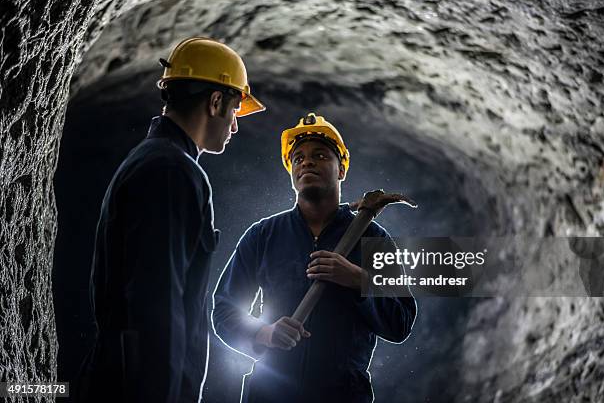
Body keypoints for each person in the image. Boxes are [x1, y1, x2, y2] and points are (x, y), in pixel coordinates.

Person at [76, 37, 265, 403]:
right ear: (214, 102)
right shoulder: (171, 171)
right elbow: (157, 304)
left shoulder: (157, 162)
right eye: (234, 112)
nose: (236, 127)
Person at [212, 113, 417, 403]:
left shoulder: (374, 239)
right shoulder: (263, 235)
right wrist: (264, 332)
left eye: (320, 155)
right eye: (298, 158)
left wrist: (358, 280)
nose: (306, 162)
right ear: (291, 172)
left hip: (343, 395)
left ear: (341, 170)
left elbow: (400, 323)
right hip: (269, 393)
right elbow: (223, 312)